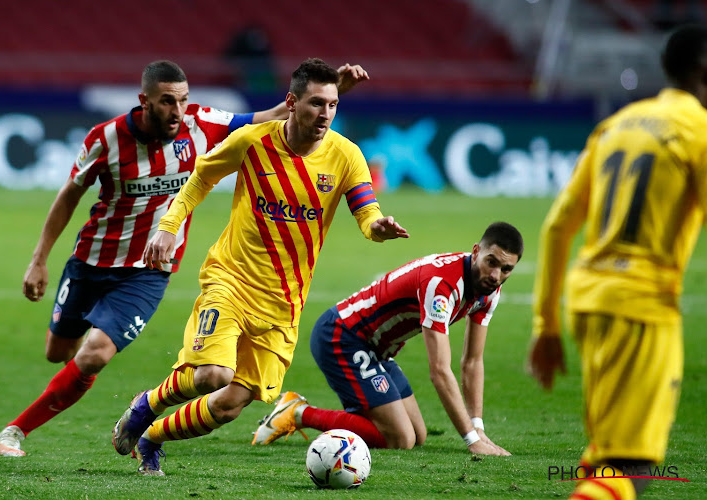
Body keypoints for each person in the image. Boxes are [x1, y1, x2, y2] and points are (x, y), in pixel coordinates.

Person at [0, 59, 372, 457]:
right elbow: (69, 193)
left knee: (95, 354)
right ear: (144, 101)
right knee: (59, 352)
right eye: (167, 102)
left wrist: (330, 99)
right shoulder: (104, 139)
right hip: (92, 259)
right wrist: (39, 259)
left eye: (184, 101)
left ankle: (17, 431)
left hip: (147, 270)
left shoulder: (201, 123)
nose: (178, 111)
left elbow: (277, 115)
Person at [111, 57, 409, 476]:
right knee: (213, 375)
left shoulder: (346, 156)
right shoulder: (253, 141)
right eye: (315, 103)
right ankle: (147, 404)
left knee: (231, 404)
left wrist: (378, 227)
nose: (324, 114)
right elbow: (200, 179)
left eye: (332, 105)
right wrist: (168, 226)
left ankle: (152, 436)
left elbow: (366, 213)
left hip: (283, 302)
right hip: (230, 279)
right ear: (291, 102)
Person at [527, 25, 707, 500]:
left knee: (607, 453)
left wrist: (546, 326)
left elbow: (556, 227)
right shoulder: (699, 131)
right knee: (636, 466)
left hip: (587, 302)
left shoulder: (617, 125)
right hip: (643, 305)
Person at [253, 222, 522, 456]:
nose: (496, 275)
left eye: (506, 269)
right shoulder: (441, 285)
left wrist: (478, 427)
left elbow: (472, 362)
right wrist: (471, 441)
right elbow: (440, 371)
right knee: (399, 438)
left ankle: (356, 417)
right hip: (342, 337)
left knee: (418, 434)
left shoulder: (489, 292)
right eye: (491, 262)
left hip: (375, 350)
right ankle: (298, 412)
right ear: (476, 251)